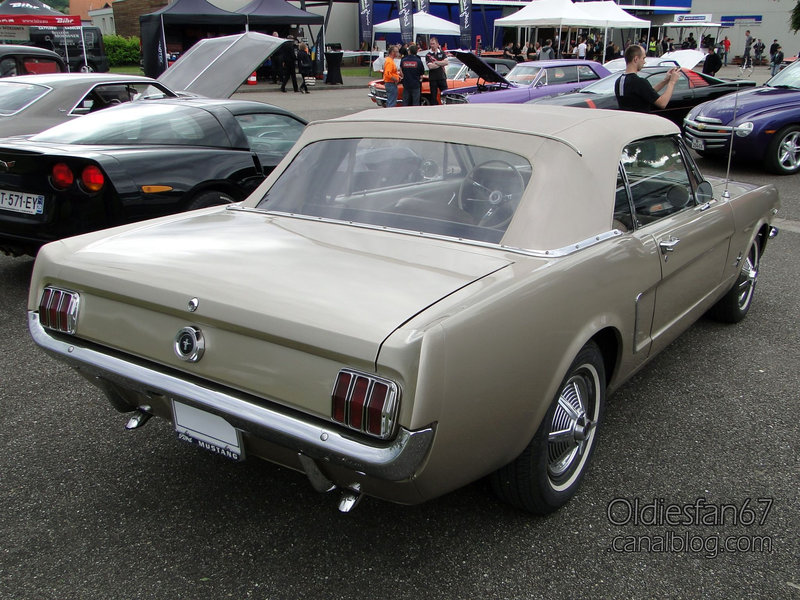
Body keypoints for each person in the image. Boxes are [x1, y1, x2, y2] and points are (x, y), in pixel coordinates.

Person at [615, 44, 679, 114]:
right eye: (643, 58)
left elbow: (647, 92)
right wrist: (672, 82)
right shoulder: (639, 82)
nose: (644, 62)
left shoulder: (619, 81)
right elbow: (662, 103)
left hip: (626, 121)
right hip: (640, 122)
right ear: (636, 59)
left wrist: (665, 81)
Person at [425, 37, 448, 105]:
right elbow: (430, 66)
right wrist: (441, 63)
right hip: (433, 78)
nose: (432, 45)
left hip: (442, 77)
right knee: (433, 96)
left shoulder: (442, 53)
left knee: (445, 93)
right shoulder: (428, 55)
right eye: (431, 44)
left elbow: (446, 62)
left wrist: (436, 62)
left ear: (437, 44)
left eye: (433, 44)